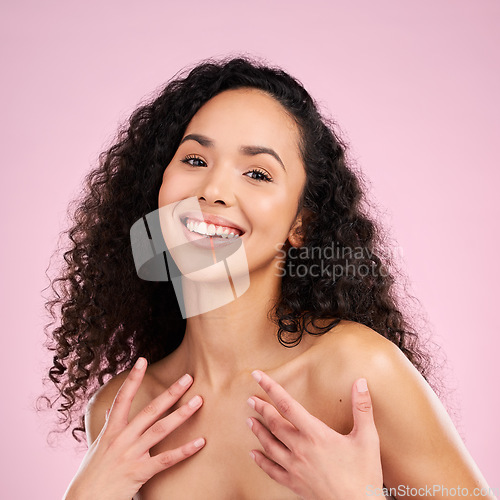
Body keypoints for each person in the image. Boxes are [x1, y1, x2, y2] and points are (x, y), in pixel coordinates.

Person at [43, 55, 495, 499]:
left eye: (257, 173)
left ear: (301, 224)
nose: (214, 191)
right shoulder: (123, 410)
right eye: (196, 160)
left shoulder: (356, 374)